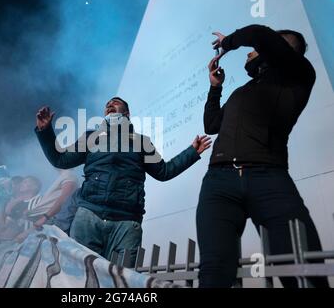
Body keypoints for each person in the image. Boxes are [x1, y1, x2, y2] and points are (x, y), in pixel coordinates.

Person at [198, 24, 329, 287]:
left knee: (300, 269)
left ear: (281, 49)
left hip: (269, 177)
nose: (250, 53)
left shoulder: (299, 75)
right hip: (219, 182)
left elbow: (259, 33)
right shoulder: (242, 91)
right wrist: (215, 88)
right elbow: (212, 124)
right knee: (214, 273)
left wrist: (229, 42)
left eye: (257, 49)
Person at [35, 97, 212, 267]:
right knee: (81, 277)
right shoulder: (91, 137)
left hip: (127, 222)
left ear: (127, 113)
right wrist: (45, 132)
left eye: (116, 103)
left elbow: (164, 172)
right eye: (107, 104)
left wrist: (192, 153)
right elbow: (60, 160)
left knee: (121, 281)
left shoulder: (141, 142)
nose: (110, 105)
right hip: (89, 216)